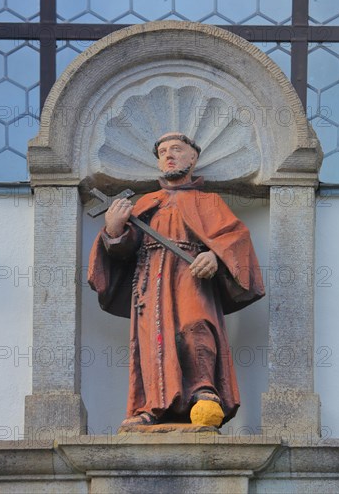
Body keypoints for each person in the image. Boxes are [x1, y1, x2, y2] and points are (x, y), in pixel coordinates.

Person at [88, 132, 264, 428]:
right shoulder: (146, 203)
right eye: (162, 151)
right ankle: (152, 406)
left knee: (195, 326)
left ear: (193, 157)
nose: (168, 155)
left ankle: (203, 391)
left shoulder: (207, 201)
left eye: (176, 149)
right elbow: (124, 249)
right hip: (150, 279)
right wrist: (114, 231)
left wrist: (215, 256)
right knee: (153, 338)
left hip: (191, 274)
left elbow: (236, 237)